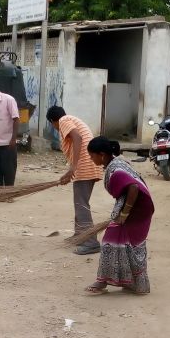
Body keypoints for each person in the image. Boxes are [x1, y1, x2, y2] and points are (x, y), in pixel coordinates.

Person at [85, 137, 154, 295]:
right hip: (138, 207)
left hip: (137, 210)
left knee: (110, 241)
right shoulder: (115, 162)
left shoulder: (115, 171)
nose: (91, 159)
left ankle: (102, 282)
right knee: (128, 244)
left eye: (92, 155)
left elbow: (134, 187)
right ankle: (135, 284)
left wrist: (124, 213)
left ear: (102, 155)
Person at [48, 106, 104, 255]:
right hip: (87, 165)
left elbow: (77, 138)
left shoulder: (64, 120)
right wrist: (70, 172)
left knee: (81, 205)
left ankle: (91, 243)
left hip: (84, 166)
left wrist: (73, 167)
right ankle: (80, 235)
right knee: (80, 203)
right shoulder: (71, 119)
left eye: (52, 125)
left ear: (53, 121)